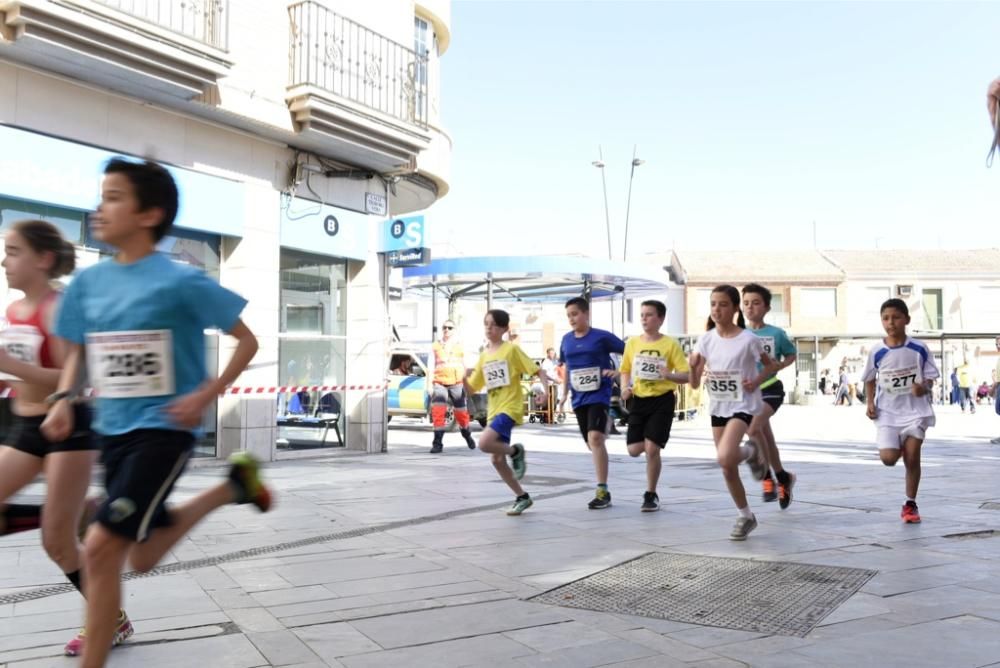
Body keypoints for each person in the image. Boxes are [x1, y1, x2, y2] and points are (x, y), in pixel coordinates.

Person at [40, 158, 272, 668]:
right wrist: (62, 398)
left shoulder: (181, 283)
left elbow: (247, 340)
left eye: (114, 197)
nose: (101, 208)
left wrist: (204, 395)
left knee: (100, 547)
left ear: (150, 214)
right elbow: (79, 348)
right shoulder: (87, 283)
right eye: (102, 195)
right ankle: (230, 488)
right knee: (141, 555)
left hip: (163, 430)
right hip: (112, 433)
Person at [0, 220, 128, 656]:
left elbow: (79, 373)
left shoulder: (59, 309)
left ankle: (111, 620)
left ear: (44, 259)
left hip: (69, 427)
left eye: (14, 251)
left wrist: (13, 368)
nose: (4, 261)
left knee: (57, 545)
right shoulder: (13, 310)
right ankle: (70, 513)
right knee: (53, 526)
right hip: (22, 427)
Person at [688, 285, 775, 541]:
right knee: (727, 467)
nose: (717, 309)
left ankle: (751, 451)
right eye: (713, 304)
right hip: (718, 406)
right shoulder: (705, 339)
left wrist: (756, 381)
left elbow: (770, 366)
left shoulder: (748, 339)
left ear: (735, 308)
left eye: (723, 304)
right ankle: (745, 515)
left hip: (743, 404)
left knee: (725, 457)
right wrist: (693, 368)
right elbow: (694, 383)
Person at [861, 299, 938, 524]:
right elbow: (868, 378)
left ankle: (910, 504)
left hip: (915, 412)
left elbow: (931, 377)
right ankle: (898, 447)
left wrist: (922, 387)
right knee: (888, 459)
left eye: (895, 317)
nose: (890, 322)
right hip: (888, 413)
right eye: (886, 318)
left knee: (913, 457)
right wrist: (870, 403)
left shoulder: (919, 348)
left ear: (906, 319)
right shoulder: (877, 351)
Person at [465, 309, 548, 515]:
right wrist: (464, 377)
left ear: (503, 328)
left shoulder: (511, 350)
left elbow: (538, 370)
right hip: (494, 410)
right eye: (486, 324)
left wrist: (545, 392)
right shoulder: (484, 356)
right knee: (496, 460)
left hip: (510, 407)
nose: (488, 328)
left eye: (493, 324)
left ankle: (516, 451)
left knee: (484, 443)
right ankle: (522, 497)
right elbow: (472, 389)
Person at [610, 300, 688, 512]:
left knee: (652, 449)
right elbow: (625, 369)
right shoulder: (633, 343)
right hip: (639, 400)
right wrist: (625, 387)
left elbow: (686, 375)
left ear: (660, 319)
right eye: (642, 315)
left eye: (649, 315)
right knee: (634, 450)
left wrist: (669, 375)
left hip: (662, 399)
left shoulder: (670, 344)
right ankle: (651, 441)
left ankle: (651, 493)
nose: (644, 318)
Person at [557, 297, 625, 509]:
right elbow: (567, 367)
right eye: (569, 315)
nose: (572, 319)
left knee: (595, 438)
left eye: (575, 314)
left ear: (586, 314)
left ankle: (602, 490)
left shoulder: (601, 337)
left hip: (600, 394)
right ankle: (601, 433)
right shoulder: (566, 340)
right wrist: (564, 395)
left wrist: (618, 372)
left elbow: (630, 353)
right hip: (579, 398)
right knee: (591, 443)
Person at [741, 284, 797, 508]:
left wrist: (780, 365)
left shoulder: (776, 333)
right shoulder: (740, 334)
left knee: (753, 429)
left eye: (755, 303)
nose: (750, 307)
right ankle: (783, 477)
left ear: (766, 307)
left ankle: (767, 479)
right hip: (748, 392)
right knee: (766, 438)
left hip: (771, 388)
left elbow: (791, 354)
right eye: (746, 303)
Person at [430, 320, 476, 452]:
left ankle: (467, 434)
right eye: (444, 327)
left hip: (457, 384)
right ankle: (437, 444)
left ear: (454, 330)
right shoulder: (435, 346)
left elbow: (467, 366)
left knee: (461, 413)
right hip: (439, 383)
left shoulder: (461, 346)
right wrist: (429, 386)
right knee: (438, 412)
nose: (446, 330)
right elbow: (430, 367)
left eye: (450, 328)